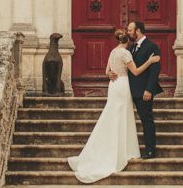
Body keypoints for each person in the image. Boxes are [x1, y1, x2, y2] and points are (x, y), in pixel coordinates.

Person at [67, 28, 161, 183]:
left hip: (114, 85)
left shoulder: (113, 51)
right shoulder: (126, 53)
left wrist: (109, 75)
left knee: (112, 114)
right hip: (123, 85)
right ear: (127, 40)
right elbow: (136, 72)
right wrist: (150, 61)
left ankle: (115, 148)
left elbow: (107, 71)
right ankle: (123, 150)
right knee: (122, 116)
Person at [123, 20, 163, 158]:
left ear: (137, 31)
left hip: (143, 92)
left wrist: (149, 90)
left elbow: (155, 70)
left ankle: (150, 150)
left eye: (129, 30)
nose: (127, 33)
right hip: (129, 91)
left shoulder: (151, 47)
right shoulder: (131, 48)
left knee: (146, 120)